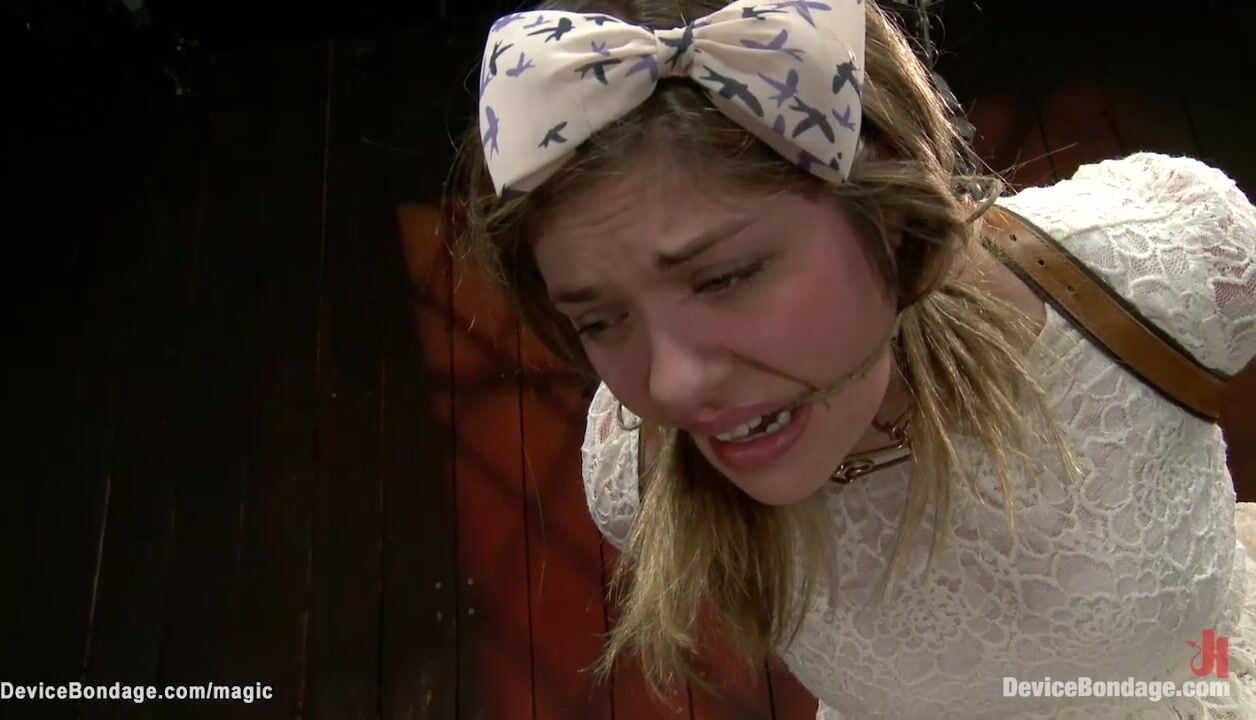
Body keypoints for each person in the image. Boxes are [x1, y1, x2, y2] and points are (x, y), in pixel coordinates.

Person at [450, 0, 1256, 716]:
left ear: (887, 205)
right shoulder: (637, 476)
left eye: (725, 278)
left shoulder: (1167, 266)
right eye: (599, 320)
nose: (671, 386)